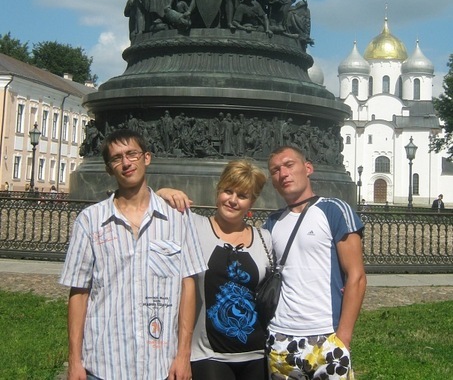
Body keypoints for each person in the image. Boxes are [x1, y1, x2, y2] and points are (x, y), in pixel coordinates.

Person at [60, 128, 206, 380]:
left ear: (146, 157)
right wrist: (74, 361)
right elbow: (79, 292)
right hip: (104, 365)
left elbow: (188, 286)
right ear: (109, 169)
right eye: (117, 158)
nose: (126, 163)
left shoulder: (178, 218)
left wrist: (183, 355)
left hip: (160, 365)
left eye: (132, 154)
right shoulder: (90, 221)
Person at [158, 160, 273, 380]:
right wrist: (164, 192)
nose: (232, 200)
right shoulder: (193, 226)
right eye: (228, 191)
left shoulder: (264, 238)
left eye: (242, 195)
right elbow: (149, 207)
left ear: (252, 201)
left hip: (256, 353)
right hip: (208, 355)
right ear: (218, 191)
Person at [264, 146, 367, 380]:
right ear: (273, 181)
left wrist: (343, 338)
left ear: (308, 168)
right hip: (280, 337)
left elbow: (357, 276)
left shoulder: (334, 210)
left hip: (326, 336)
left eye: (289, 165)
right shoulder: (271, 223)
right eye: (275, 170)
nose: (283, 173)